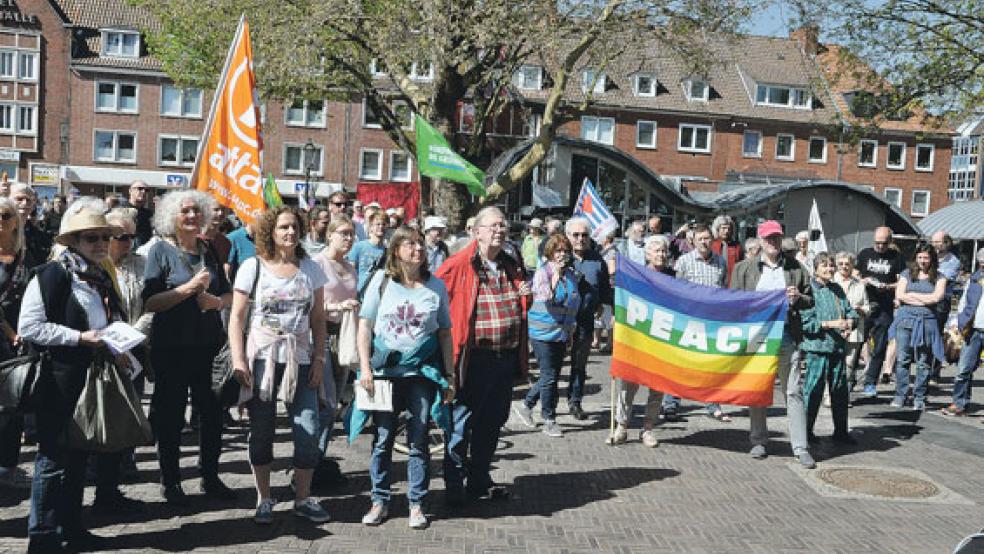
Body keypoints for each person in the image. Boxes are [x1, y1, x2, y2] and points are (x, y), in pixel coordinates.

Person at [19, 207, 131, 552]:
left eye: (104, 237)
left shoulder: (100, 275)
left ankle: (72, 526)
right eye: (91, 237)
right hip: (57, 379)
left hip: (91, 378)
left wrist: (118, 345)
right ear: (74, 241)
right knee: (52, 459)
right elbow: (30, 327)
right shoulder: (51, 275)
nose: (100, 243)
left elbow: (107, 320)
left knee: (80, 456)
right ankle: (42, 536)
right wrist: (79, 338)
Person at [228, 206, 330, 525]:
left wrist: (319, 359)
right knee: (262, 433)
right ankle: (264, 498)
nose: (290, 232)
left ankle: (302, 498)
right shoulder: (251, 267)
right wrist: (238, 359)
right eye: (283, 227)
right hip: (262, 361)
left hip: (300, 360)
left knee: (309, 431)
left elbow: (318, 320)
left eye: (295, 227)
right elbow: (237, 317)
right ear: (271, 232)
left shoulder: (311, 269)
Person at [356, 226, 454, 529]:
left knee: (419, 437)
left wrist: (449, 374)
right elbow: (364, 326)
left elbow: (444, 333)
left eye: (421, 244)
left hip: (421, 375)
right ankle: (379, 499)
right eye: (410, 244)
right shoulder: (381, 281)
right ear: (396, 250)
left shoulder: (435, 286)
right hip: (385, 374)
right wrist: (366, 369)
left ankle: (416, 503)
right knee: (383, 438)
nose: (418, 249)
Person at [142, 190, 235, 506]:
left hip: (208, 347)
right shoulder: (160, 251)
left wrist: (217, 302)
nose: (192, 216)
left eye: (197, 210)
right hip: (171, 348)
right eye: (185, 211)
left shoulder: (209, 250)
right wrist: (188, 290)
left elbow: (229, 295)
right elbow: (150, 302)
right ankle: (171, 482)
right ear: (172, 216)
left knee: (212, 415)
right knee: (170, 417)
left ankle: (210, 476)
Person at [438, 206, 529, 505]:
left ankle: (479, 480)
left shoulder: (510, 263)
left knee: (492, 422)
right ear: (476, 232)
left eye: (502, 226)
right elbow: (436, 301)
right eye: (492, 226)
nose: (499, 231)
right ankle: (453, 486)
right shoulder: (459, 264)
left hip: (504, 359)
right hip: (473, 360)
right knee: (461, 423)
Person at [730, 220, 816, 469]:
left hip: (787, 335)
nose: (773, 243)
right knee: (758, 388)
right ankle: (758, 439)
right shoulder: (744, 269)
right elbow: (734, 300)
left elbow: (810, 299)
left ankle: (800, 447)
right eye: (768, 238)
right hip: (757, 337)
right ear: (759, 240)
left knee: (793, 391)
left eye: (776, 238)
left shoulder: (796, 268)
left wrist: (798, 298)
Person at [513, 234, 580, 437]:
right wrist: (555, 278)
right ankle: (549, 419)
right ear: (550, 253)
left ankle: (526, 405)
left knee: (551, 376)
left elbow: (572, 304)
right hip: (542, 333)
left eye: (565, 251)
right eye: (558, 251)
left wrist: (569, 330)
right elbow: (546, 298)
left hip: (560, 333)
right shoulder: (543, 273)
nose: (562, 255)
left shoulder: (571, 275)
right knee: (550, 377)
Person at [662, 224, 731, 422]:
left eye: (707, 238)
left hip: (711, 321)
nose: (704, 242)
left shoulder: (721, 262)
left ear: (713, 240)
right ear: (692, 241)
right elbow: (677, 291)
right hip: (688, 320)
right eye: (700, 238)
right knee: (679, 364)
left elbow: (723, 289)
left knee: (711, 364)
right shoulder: (683, 262)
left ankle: (713, 404)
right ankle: (671, 404)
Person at [311, 216, 359, 488]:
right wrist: (337, 308)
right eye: (343, 233)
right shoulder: (318, 264)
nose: (349, 238)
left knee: (335, 403)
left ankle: (316, 462)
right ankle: (308, 463)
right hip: (322, 334)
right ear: (329, 235)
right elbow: (311, 306)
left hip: (345, 336)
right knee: (325, 403)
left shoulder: (350, 267)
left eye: (352, 234)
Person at [610, 234, 671, 447]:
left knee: (657, 387)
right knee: (627, 384)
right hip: (637, 338)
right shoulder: (636, 276)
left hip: (662, 340)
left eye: (663, 250)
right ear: (646, 254)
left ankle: (648, 429)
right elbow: (624, 298)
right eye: (656, 250)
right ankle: (621, 426)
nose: (660, 254)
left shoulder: (672, 278)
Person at [801, 253, 859, 444]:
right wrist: (830, 324)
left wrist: (851, 321)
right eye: (825, 265)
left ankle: (841, 431)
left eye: (831, 265)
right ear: (816, 269)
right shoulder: (809, 290)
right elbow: (806, 323)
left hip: (837, 348)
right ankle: (805, 432)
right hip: (817, 349)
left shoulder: (837, 289)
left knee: (840, 391)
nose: (830, 269)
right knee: (813, 392)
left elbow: (849, 310)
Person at [889, 243, 946, 411]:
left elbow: (937, 298)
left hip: (927, 322)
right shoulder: (907, 274)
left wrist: (911, 296)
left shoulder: (940, 277)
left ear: (932, 259)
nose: (922, 261)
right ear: (915, 258)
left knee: (923, 362)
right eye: (920, 257)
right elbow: (899, 295)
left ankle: (919, 397)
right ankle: (900, 395)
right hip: (905, 321)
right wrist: (922, 299)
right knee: (902, 360)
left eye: (926, 258)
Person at [566, 217, 612, 420]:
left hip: (585, 320)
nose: (580, 239)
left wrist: (604, 303)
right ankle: (546, 408)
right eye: (575, 235)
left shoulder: (597, 260)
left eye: (584, 235)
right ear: (568, 236)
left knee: (579, 364)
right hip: (560, 322)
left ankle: (575, 401)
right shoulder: (560, 257)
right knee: (553, 367)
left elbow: (604, 287)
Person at [0, 198, 31, 491]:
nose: (0, 219)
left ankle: (8, 465)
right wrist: (10, 332)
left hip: (19, 340)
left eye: (5, 215)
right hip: (6, 335)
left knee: (14, 403)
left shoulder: (24, 255)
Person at [857, 226, 905, 398]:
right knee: (856, 343)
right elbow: (855, 273)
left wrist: (888, 286)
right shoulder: (865, 254)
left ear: (890, 242)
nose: (879, 247)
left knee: (879, 347)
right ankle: (848, 380)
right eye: (877, 243)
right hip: (864, 304)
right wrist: (863, 280)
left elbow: (901, 282)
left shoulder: (897, 258)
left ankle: (870, 382)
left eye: (883, 244)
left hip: (884, 306)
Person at [945, 248, 984, 416]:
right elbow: (963, 302)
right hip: (972, 329)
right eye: (981, 262)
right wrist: (957, 321)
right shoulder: (974, 279)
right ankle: (959, 404)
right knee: (963, 370)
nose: (982, 265)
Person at [832, 251, 870, 392]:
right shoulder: (830, 282)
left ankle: (843, 394)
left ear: (852, 265)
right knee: (833, 362)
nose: (844, 267)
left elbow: (867, 307)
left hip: (854, 330)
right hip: (834, 328)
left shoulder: (859, 285)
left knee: (849, 363)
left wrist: (860, 309)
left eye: (847, 264)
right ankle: (829, 393)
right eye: (840, 264)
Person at [930, 231, 959, 384]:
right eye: (933, 242)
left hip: (941, 301)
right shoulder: (928, 256)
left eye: (938, 242)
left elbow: (942, 280)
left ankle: (934, 372)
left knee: (936, 335)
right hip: (925, 298)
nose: (935, 245)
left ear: (947, 243)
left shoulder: (952, 261)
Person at [10, 184, 51, 265]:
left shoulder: (34, 232)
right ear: (8, 201)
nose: (25, 203)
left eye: (28, 200)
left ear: (33, 205)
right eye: (19, 199)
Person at [348, 211, 387, 291]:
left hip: (377, 293)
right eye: (378, 224)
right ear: (370, 228)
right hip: (359, 292)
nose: (381, 227)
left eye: (384, 224)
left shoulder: (388, 252)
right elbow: (350, 271)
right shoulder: (359, 246)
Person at [710, 215, 742, 285]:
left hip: (732, 284)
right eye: (723, 228)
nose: (727, 231)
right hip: (714, 284)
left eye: (729, 228)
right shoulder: (711, 245)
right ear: (717, 229)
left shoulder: (737, 246)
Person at [124, 180, 154, 248]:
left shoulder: (149, 214)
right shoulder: (121, 209)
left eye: (146, 190)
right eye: (140, 189)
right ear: (130, 191)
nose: (143, 192)